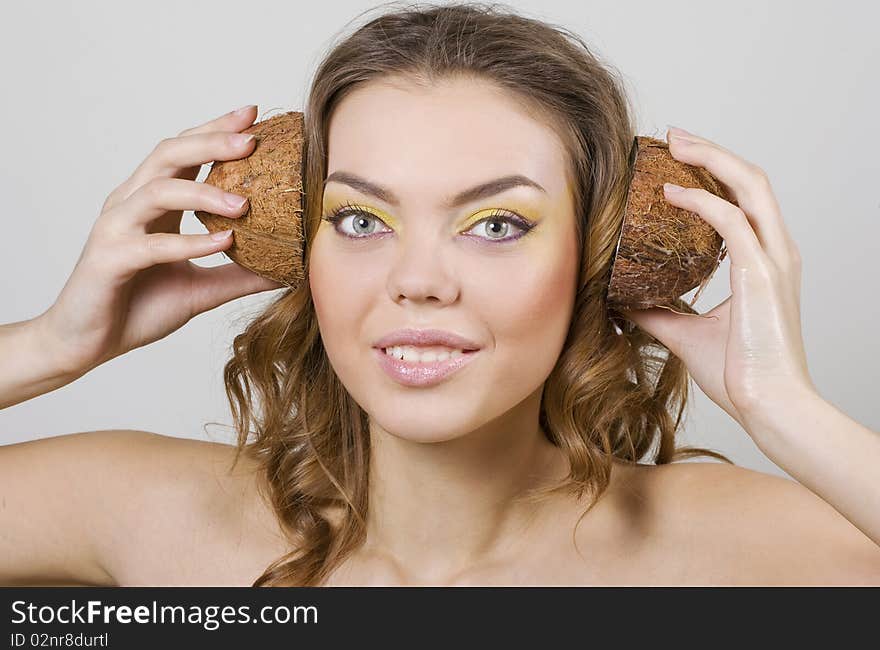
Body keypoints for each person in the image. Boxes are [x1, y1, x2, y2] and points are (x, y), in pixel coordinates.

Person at [1, 2, 878, 587]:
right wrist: (49, 344)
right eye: (359, 220)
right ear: (295, 248)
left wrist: (785, 409)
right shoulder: (150, 517)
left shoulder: (728, 552)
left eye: (496, 223)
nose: (416, 280)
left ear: (600, 256)